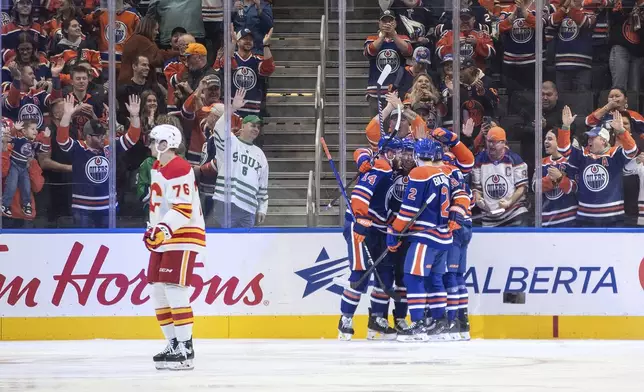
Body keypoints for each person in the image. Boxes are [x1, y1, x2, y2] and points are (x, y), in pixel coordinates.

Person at [387, 138, 464, 341]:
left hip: (425, 236)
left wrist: (394, 232)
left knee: (413, 277)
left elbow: (409, 210)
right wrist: (458, 212)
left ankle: (419, 324)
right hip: (444, 236)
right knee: (435, 279)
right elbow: (463, 194)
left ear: (416, 156)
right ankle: (440, 323)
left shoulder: (419, 173)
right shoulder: (445, 172)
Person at [144, 123, 205, 371]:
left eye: (153, 140)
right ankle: (172, 343)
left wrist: (162, 230)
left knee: (174, 288)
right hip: (165, 236)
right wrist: (153, 229)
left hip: (182, 234)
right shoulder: (159, 167)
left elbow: (183, 208)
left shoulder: (179, 167)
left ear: (164, 144)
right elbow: (160, 205)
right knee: (158, 291)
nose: (149, 144)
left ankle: (185, 346)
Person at [337, 136, 401, 341]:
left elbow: (387, 205)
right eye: (397, 152)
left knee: (386, 275)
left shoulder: (392, 170)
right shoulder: (381, 166)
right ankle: (345, 319)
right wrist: (362, 221)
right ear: (389, 152)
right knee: (359, 274)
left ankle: (377, 321)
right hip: (362, 226)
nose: (401, 156)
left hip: (380, 228)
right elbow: (360, 195)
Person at [56, 93, 141, 228]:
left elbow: (132, 138)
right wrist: (67, 115)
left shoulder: (108, 147)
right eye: (98, 136)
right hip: (83, 207)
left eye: (103, 134)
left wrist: (135, 116)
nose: (102, 138)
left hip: (107, 206)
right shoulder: (79, 148)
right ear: (88, 137)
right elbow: (62, 140)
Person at [558, 106, 638, 226]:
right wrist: (565, 127)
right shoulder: (583, 155)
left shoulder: (614, 154)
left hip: (613, 217)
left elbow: (632, 150)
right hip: (586, 218)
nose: (589, 141)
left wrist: (621, 131)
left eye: (593, 138)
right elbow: (563, 149)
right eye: (588, 138)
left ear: (604, 141)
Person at [209, 91, 268, 228]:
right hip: (226, 202)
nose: (256, 129)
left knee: (246, 246)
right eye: (253, 125)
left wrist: (262, 208)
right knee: (226, 243)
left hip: (249, 208)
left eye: (258, 127)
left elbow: (263, 184)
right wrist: (232, 109)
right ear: (242, 126)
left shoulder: (260, 155)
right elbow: (219, 128)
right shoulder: (231, 141)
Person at [472, 126, 530, 227]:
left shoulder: (515, 159)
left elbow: (522, 187)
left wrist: (509, 202)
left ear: (503, 143)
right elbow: (476, 188)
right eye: (489, 141)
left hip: (513, 213)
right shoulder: (479, 160)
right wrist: (478, 198)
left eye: (495, 142)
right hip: (489, 216)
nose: (491, 145)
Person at [215, 27, 275, 119]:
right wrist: (233, 42)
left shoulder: (257, 59)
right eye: (245, 39)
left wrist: (266, 46)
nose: (248, 41)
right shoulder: (230, 57)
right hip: (230, 108)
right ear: (238, 42)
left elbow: (268, 69)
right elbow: (229, 65)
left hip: (252, 110)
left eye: (250, 39)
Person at [364, 10, 413, 117]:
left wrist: (393, 36)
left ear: (395, 23)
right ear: (379, 23)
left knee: (395, 126)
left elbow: (408, 51)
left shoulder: (403, 38)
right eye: (384, 21)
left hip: (396, 91)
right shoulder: (371, 39)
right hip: (375, 91)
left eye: (390, 21)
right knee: (377, 127)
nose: (387, 23)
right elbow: (370, 51)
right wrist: (382, 36)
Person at [1, 119, 47, 217]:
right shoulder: (7, 154)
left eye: (6, 133)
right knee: (12, 185)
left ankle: (26, 205)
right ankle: (5, 205)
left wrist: (31, 164)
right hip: (5, 216)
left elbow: (37, 186)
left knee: (26, 186)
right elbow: (3, 172)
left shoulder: (30, 150)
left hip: (26, 216)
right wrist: (5, 151)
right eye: (3, 134)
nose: (5, 135)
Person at [533, 128, 578, 227]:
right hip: (546, 221)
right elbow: (535, 187)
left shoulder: (570, 161)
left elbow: (574, 188)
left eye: (550, 139)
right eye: (545, 139)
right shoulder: (541, 162)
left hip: (569, 220)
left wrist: (560, 178)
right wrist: (554, 180)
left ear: (559, 141)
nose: (545, 142)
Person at [2, 59, 64, 129]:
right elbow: (12, 101)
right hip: (18, 137)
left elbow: (55, 100)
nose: (34, 77)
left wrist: (55, 76)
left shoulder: (39, 94)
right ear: (21, 76)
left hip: (40, 137)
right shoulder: (7, 95)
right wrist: (17, 79)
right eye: (30, 74)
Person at [118, 15, 179, 85]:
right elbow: (157, 59)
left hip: (129, 83)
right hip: (132, 85)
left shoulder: (136, 39)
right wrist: (178, 54)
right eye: (155, 30)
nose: (157, 33)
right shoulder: (141, 41)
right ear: (148, 28)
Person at [550, 0, 596, 91]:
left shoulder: (589, 12)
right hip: (561, 64)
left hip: (582, 65)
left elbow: (584, 22)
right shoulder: (560, 11)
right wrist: (564, 7)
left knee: (582, 99)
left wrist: (571, 7)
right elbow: (552, 22)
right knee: (563, 99)